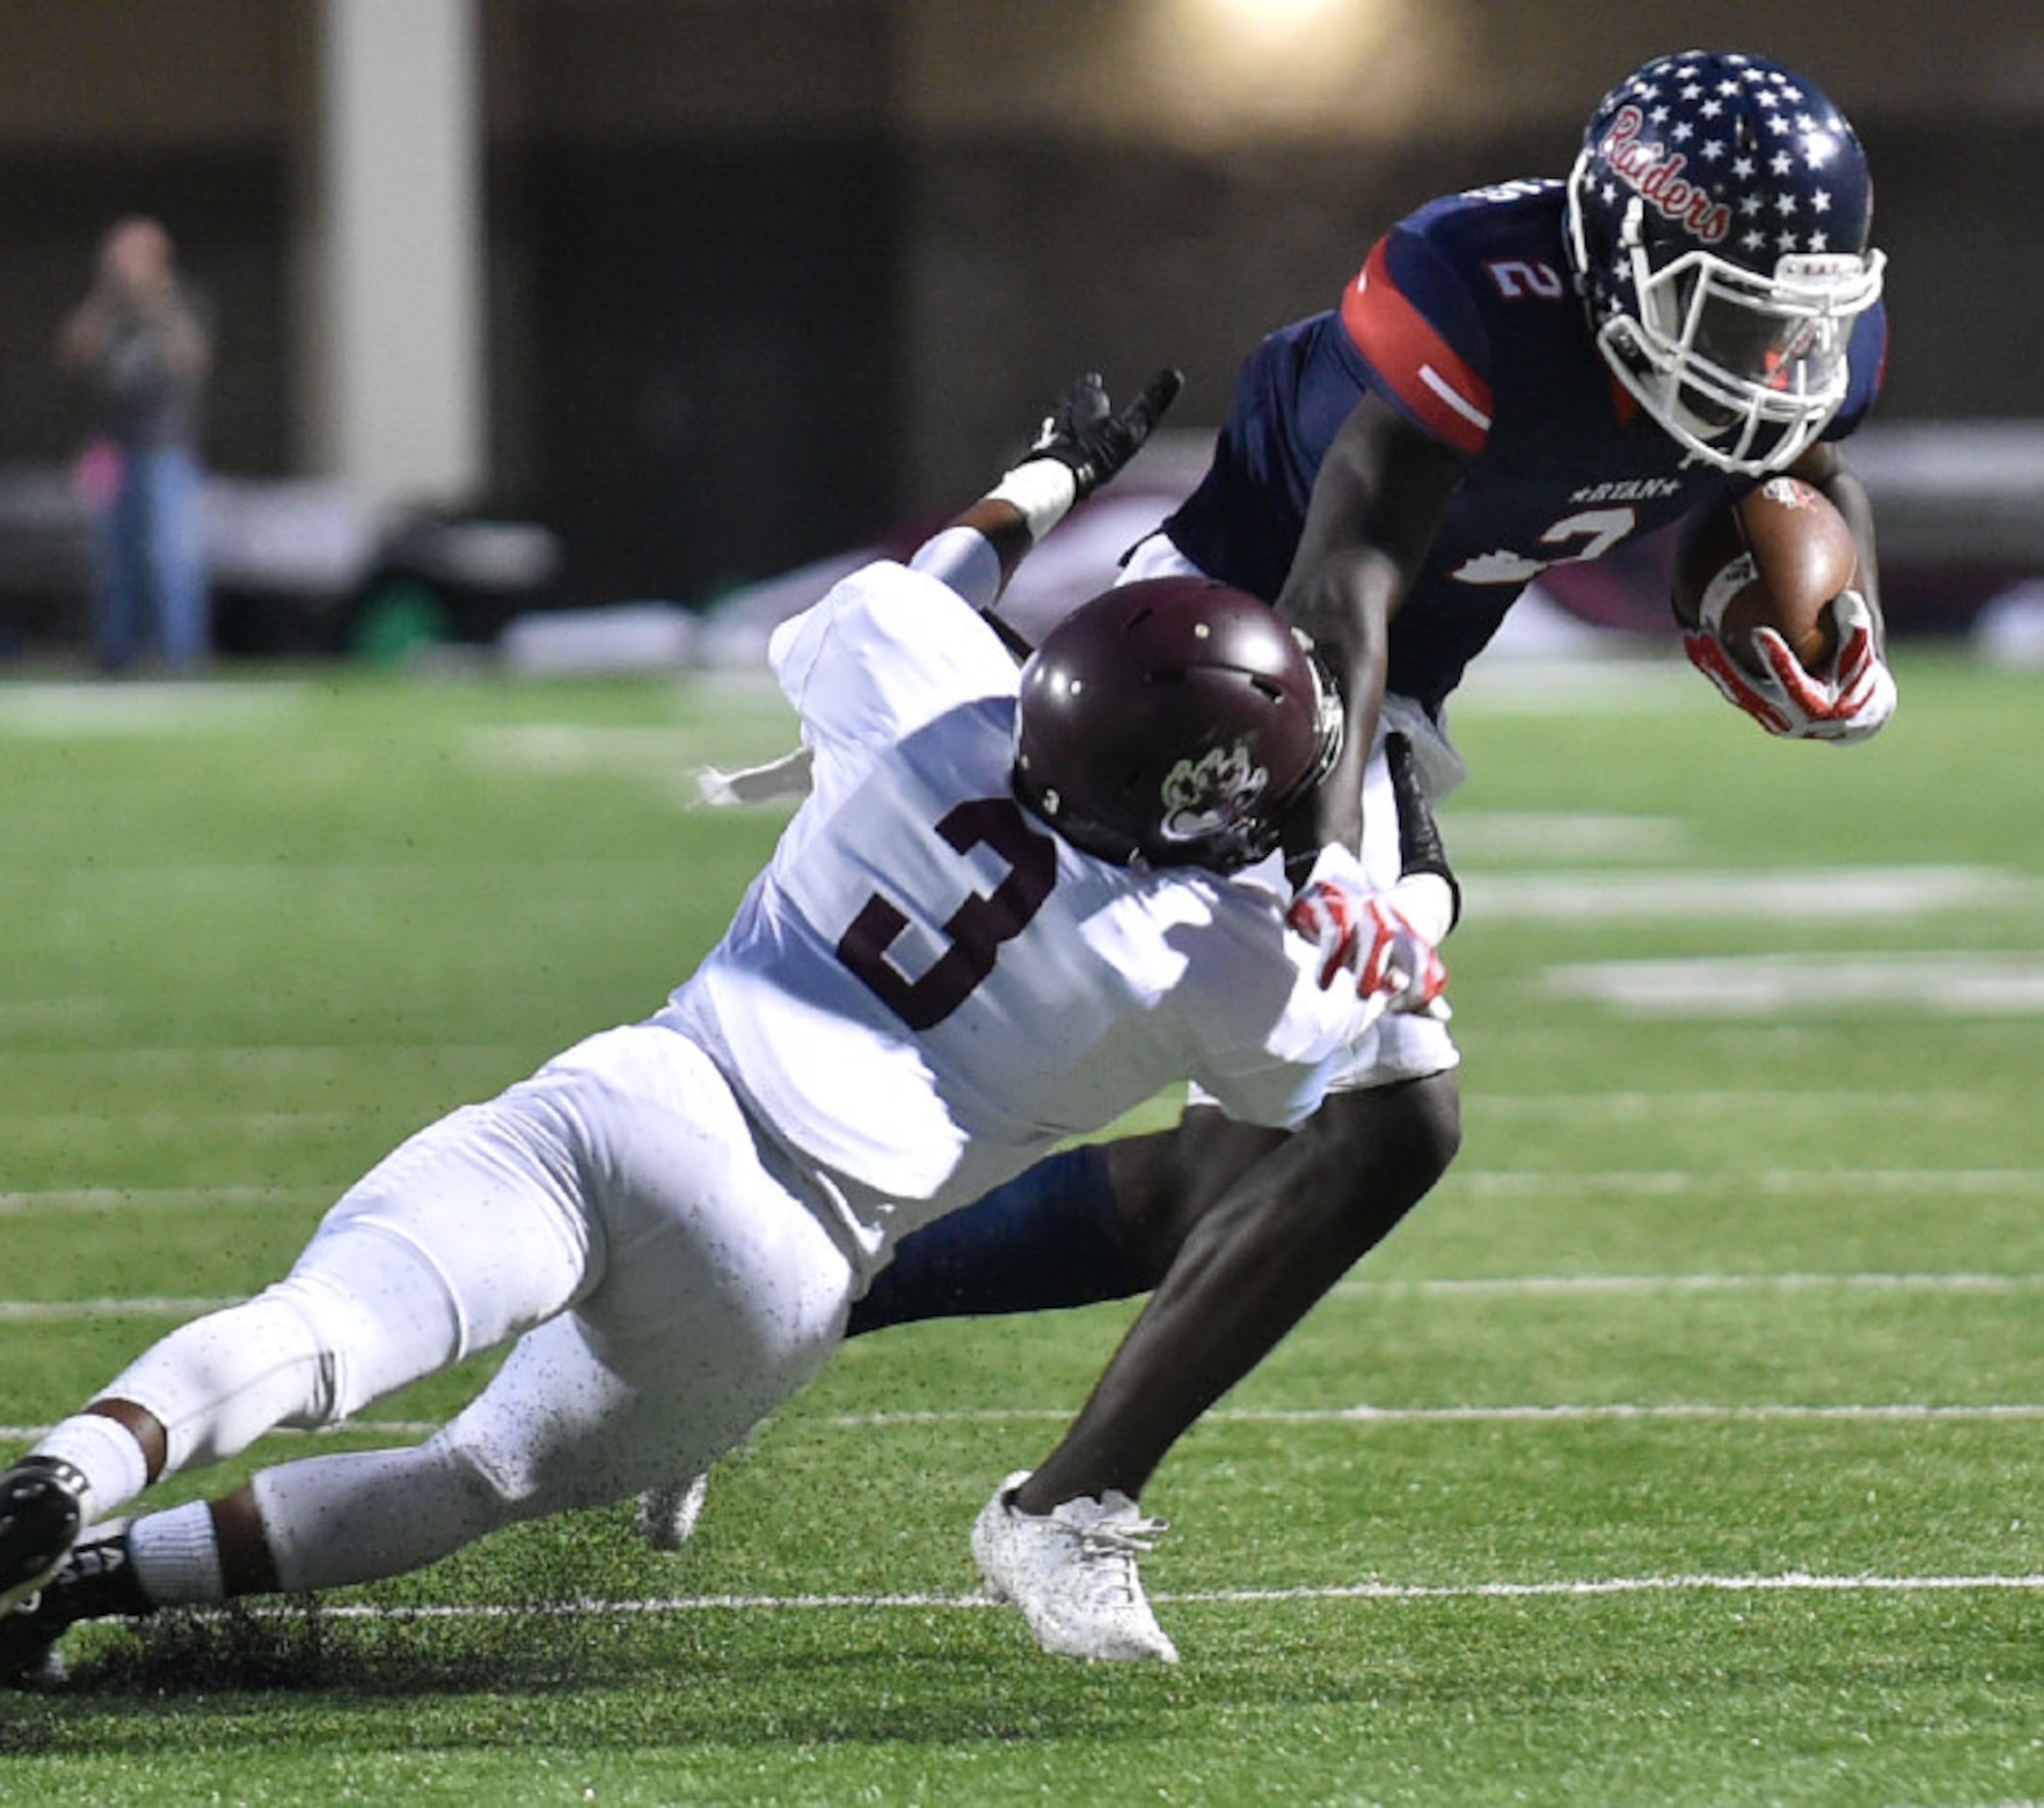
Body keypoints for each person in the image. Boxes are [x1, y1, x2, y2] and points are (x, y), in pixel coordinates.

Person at [0, 369, 1443, 1749]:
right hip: (784, 1266)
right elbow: (1318, 1067)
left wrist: (1047, 474)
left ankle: (69, 1474)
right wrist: (1398, 853)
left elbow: (917, 580)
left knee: (318, 1326)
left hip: (641, 1098)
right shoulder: (1204, 959)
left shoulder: (934, 697)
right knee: (476, 1470)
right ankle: (112, 1579)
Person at [654, 47, 1901, 1658]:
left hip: (1392, 702)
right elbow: (1345, 593)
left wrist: (1833, 597)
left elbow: (1796, 452)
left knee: (1218, 1185)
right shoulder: (1473, 299)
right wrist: (1332, 861)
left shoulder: (1789, 344)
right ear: (1623, 257)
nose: (1774, 361)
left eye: (1789, 320)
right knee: (1393, 1122)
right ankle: (1057, 1506)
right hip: (1222, 663)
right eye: (1731, 320)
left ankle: (763, 1329)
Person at [56, 216, 214, 673]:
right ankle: (115, 658)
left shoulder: (183, 299)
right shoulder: (108, 310)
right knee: (112, 559)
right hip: (111, 451)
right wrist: (108, 296)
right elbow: (71, 350)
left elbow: (193, 357)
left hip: (166, 449)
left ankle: (182, 659)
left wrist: (155, 300)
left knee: (171, 557)